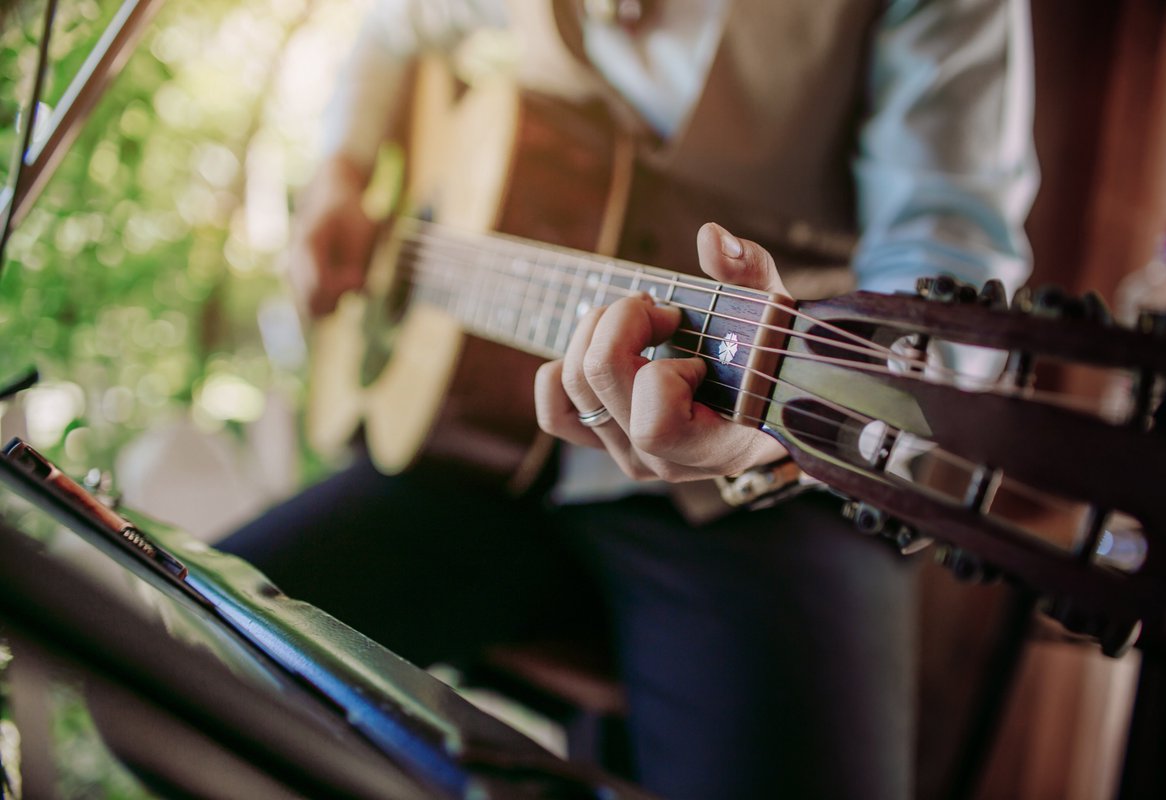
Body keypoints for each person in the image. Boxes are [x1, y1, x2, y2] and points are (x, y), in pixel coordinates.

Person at [219, 2, 1038, 797]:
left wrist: (764, 442)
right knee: (194, 661)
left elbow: (948, 296)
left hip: (763, 482)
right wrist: (343, 170)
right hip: (488, 450)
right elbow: (393, 26)